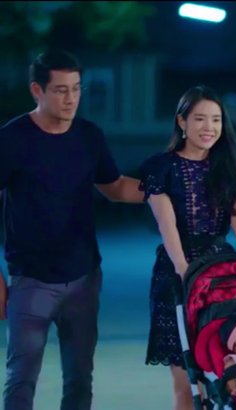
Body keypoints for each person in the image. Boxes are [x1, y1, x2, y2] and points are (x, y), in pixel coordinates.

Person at [0, 49, 144, 410]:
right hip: (30, 279)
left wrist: (172, 190)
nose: (71, 99)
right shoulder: (12, 139)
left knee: (79, 380)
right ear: (37, 90)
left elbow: (116, 187)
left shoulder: (89, 136)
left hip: (83, 278)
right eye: (61, 90)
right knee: (20, 380)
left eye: (77, 89)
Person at [139, 85, 236, 410]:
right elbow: (166, 223)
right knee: (185, 378)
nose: (209, 127)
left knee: (229, 367)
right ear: (182, 122)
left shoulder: (228, 166)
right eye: (200, 119)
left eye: (216, 120)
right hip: (176, 274)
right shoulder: (159, 167)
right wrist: (183, 268)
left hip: (221, 271)